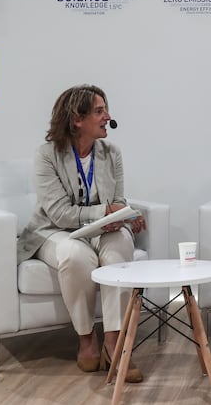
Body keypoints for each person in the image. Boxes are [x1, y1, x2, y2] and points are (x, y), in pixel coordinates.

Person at [16, 84, 146, 382]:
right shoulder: (47, 154)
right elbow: (59, 213)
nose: (107, 117)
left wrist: (124, 215)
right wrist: (105, 212)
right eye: (99, 111)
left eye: (105, 110)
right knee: (76, 255)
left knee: (119, 248)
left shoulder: (112, 152)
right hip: (53, 231)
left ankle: (114, 344)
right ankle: (86, 339)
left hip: (100, 229)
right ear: (77, 119)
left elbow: (119, 200)